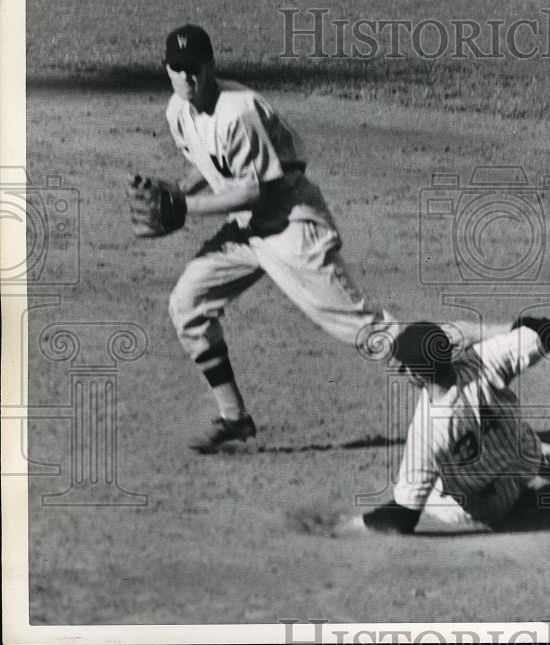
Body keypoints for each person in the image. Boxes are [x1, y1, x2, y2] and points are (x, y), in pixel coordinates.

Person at [155, 24, 400, 453]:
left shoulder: (238, 111)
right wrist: (178, 190)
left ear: (209, 66)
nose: (186, 78)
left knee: (359, 330)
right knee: (187, 305)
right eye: (177, 69)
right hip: (249, 231)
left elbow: (254, 189)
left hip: (289, 222)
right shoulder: (178, 110)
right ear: (168, 70)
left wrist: (183, 209)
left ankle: (471, 363)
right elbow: (210, 162)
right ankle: (234, 417)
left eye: (193, 69)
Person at [358, 317, 550, 534]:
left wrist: (350, 524)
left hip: (494, 507)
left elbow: (402, 520)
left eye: (405, 366)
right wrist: (478, 332)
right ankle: (541, 459)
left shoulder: (425, 431)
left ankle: (521, 498)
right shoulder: (484, 359)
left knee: (425, 491)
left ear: (416, 374)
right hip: (526, 462)